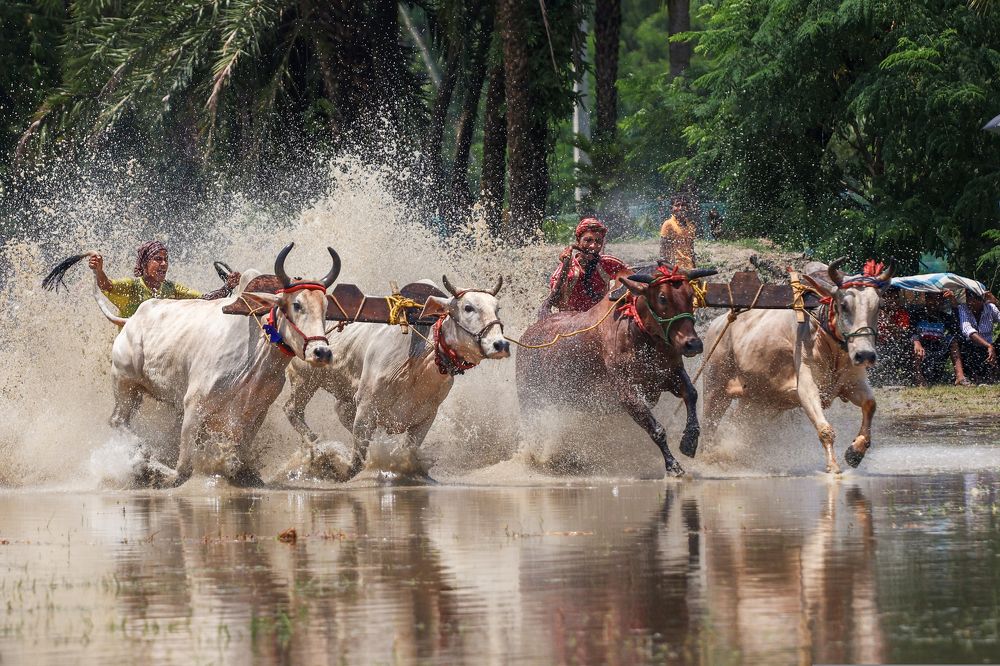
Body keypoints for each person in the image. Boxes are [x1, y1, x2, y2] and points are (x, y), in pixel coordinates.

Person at [89, 240, 241, 318]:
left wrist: (227, 287)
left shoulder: (172, 289)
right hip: (129, 355)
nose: (164, 264)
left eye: (166, 259)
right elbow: (106, 286)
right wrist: (99, 270)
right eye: (158, 259)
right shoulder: (131, 287)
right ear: (144, 264)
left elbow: (204, 299)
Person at [547, 217, 632, 312]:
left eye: (598, 241)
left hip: (600, 320)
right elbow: (554, 300)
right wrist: (565, 269)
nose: (593, 246)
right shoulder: (568, 269)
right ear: (578, 241)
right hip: (572, 322)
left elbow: (632, 277)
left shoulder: (608, 264)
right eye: (588, 240)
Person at [910, 290, 961, 386]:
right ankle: (918, 378)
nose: (934, 302)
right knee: (914, 344)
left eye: (937, 299)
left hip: (938, 353)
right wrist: (916, 342)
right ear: (926, 299)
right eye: (931, 298)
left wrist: (953, 303)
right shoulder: (917, 314)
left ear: (942, 301)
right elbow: (910, 331)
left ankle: (960, 377)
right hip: (921, 352)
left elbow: (957, 326)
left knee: (952, 340)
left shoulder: (944, 317)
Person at [955, 290, 1000, 384]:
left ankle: (995, 373)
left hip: (989, 350)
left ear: (982, 301)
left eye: (974, 301)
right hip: (970, 348)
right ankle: (971, 376)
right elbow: (967, 329)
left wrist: (996, 302)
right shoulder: (963, 308)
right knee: (960, 341)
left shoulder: (991, 307)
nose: (970, 303)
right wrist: (989, 346)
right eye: (968, 300)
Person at [659, 197, 696, 270]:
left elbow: (691, 250)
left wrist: (694, 267)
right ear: (671, 208)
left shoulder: (690, 226)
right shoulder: (668, 224)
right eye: (677, 205)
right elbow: (663, 252)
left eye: (683, 205)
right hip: (675, 268)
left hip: (689, 267)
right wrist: (668, 269)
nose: (681, 207)